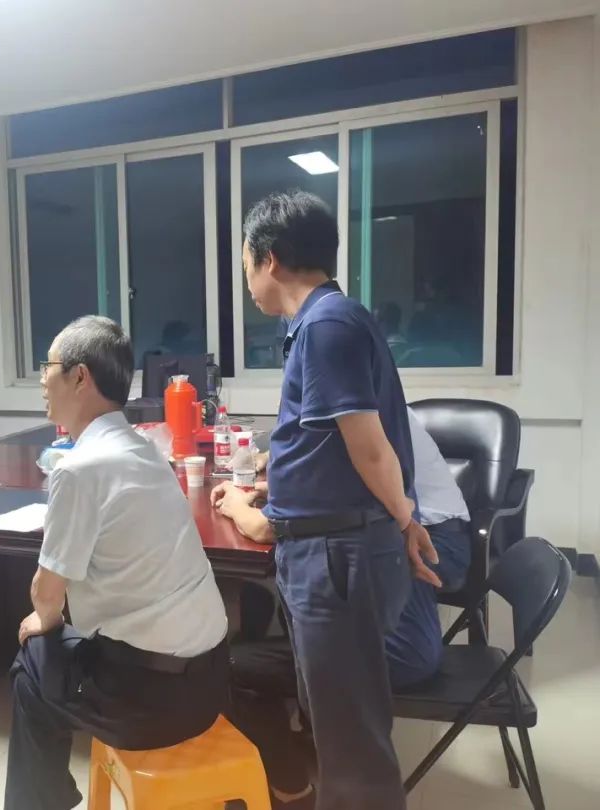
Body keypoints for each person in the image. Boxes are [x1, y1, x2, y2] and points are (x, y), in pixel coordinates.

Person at [234, 191, 441, 810]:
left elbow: (370, 447)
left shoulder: (326, 325)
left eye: (245, 263)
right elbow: (335, 447)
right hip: (332, 551)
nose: (246, 281)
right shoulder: (324, 322)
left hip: (338, 558)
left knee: (352, 746)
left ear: (270, 259)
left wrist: (406, 519)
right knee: (334, 726)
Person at [4, 315, 230, 810]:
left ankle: (42, 802)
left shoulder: (79, 470)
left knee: (32, 662)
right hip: (211, 683)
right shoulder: (147, 450)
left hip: (151, 705)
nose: (42, 378)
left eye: (49, 366)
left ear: (80, 377)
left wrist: (44, 620)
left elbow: (46, 596)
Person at [214, 407, 472, 807]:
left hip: (427, 560)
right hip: (398, 561)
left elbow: (268, 528)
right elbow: (317, 493)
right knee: (294, 584)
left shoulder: (346, 416)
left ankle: (292, 780)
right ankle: (311, 731)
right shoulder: (362, 408)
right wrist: (274, 490)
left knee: (236, 659)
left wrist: (236, 504)